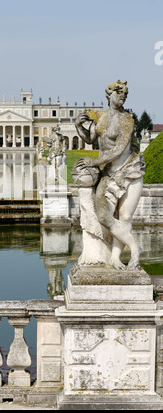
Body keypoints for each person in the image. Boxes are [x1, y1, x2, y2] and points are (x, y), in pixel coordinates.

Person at [74, 80, 145, 270]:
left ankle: (116, 258)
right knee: (104, 216)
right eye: (118, 93)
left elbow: (119, 150)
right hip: (108, 173)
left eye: (124, 95)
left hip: (129, 171)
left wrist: (93, 162)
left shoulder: (126, 120)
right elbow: (91, 138)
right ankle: (135, 247)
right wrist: (79, 126)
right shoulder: (101, 117)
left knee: (125, 216)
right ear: (109, 96)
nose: (121, 97)